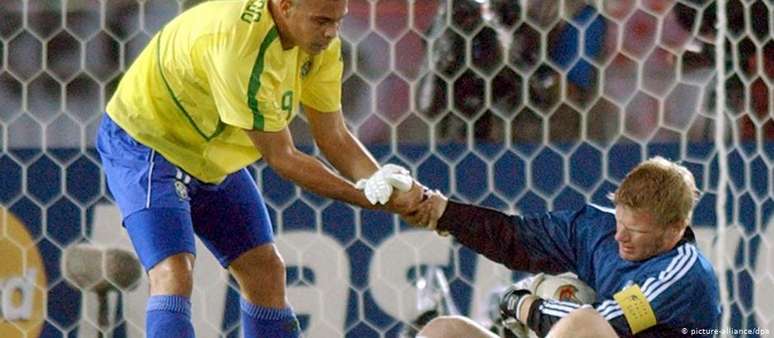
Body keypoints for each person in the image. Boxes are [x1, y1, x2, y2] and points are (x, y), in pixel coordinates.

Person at [95, 0, 423, 337]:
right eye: (322, 21)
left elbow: (334, 135)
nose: (331, 33)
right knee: (173, 272)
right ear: (284, 6)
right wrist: (366, 197)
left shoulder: (321, 44)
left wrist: (380, 180)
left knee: (266, 271)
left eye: (339, 21)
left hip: (213, 154)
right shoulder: (239, 44)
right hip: (149, 144)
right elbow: (283, 158)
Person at [405, 157, 721, 337]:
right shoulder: (595, 228)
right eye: (620, 223)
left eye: (635, 230)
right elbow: (515, 237)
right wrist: (440, 212)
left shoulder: (684, 275)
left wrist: (523, 304)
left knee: (584, 324)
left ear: (675, 228)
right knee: (444, 332)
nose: (619, 237)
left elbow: (601, 322)